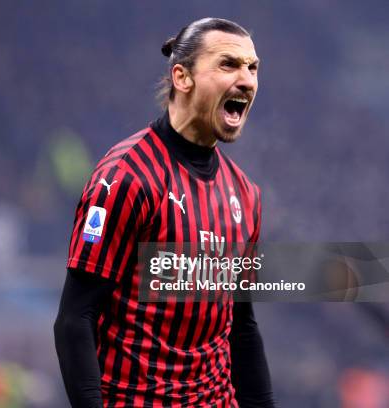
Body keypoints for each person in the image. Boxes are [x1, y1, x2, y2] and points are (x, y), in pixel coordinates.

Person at [54, 18, 275, 407]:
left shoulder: (245, 194)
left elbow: (241, 328)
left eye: (252, 67)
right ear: (182, 77)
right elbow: (75, 319)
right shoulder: (125, 178)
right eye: (228, 64)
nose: (247, 80)